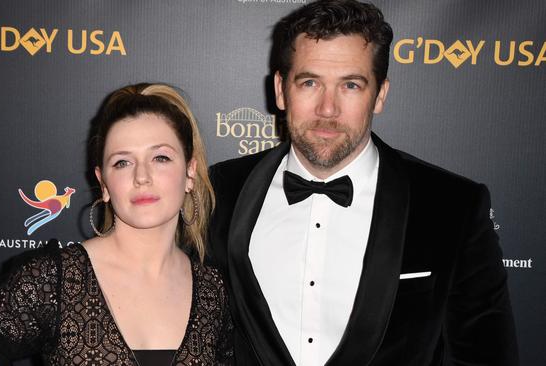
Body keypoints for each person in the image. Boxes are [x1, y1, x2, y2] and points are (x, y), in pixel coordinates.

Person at [208, 1, 519, 365]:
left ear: (380, 94)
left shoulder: (453, 206)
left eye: (351, 85)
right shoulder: (219, 191)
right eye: (310, 82)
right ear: (280, 89)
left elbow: (486, 355)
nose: (328, 108)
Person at [0, 83, 234, 365]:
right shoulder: (53, 280)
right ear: (103, 183)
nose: (142, 176)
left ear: (190, 172)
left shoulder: (212, 290)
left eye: (161, 158)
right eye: (122, 162)